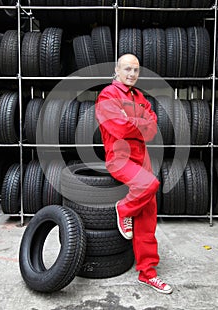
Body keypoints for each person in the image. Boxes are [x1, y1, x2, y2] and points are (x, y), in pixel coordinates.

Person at [95, 54, 173, 294]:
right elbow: (117, 126)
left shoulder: (139, 97)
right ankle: (124, 209)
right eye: (127, 69)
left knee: (148, 220)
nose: (131, 74)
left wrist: (134, 121)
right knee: (149, 185)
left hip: (143, 159)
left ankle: (147, 274)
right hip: (120, 158)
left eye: (136, 70)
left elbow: (152, 129)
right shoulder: (108, 94)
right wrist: (139, 123)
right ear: (117, 70)